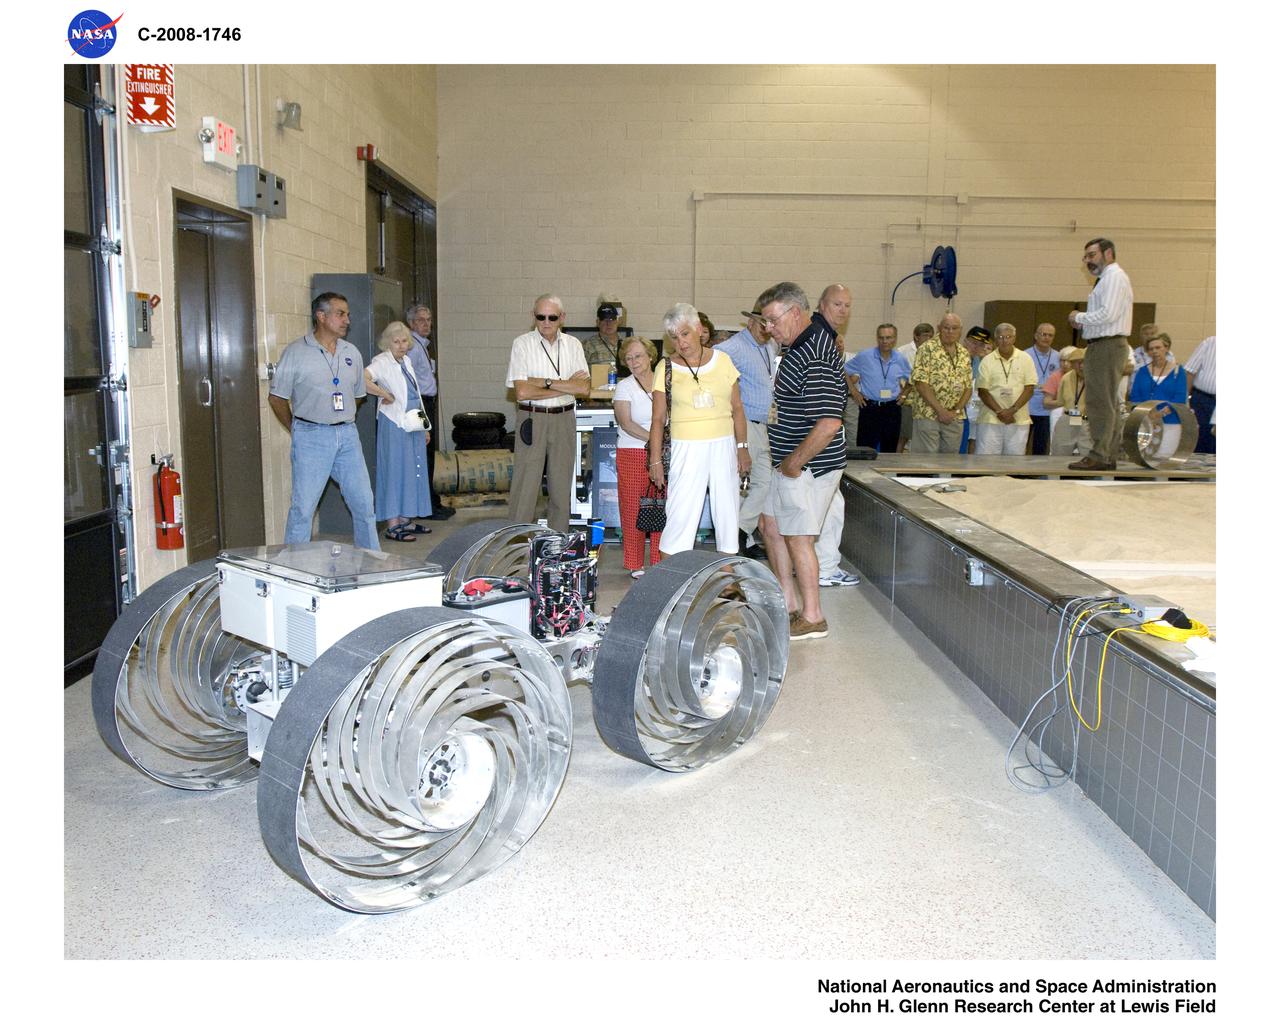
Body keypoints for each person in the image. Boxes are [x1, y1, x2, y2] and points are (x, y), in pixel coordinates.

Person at [756, 282, 847, 639]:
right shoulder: (795, 346)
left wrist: (794, 464)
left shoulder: (816, 353)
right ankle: (788, 604)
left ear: (796, 313)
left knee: (798, 538)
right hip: (787, 463)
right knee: (771, 526)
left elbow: (828, 423)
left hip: (808, 467)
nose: (768, 328)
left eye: (773, 320)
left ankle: (813, 616)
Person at [268, 292, 379, 551]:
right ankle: (293, 570)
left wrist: (339, 418)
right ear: (321, 316)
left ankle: (373, 564)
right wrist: (297, 429)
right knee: (303, 509)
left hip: (348, 437)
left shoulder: (351, 352)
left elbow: (358, 395)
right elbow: (276, 398)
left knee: (364, 505)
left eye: (348, 314)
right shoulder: (296, 352)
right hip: (311, 436)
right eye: (340, 314)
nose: (347, 320)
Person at [648, 303, 749, 556]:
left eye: (684, 334)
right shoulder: (665, 367)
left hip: (724, 444)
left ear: (698, 329)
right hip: (686, 447)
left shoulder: (723, 361)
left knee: (727, 513)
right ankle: (671, 580)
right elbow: (658, 418)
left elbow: (737, 408)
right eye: (673, 337)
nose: (680, 342)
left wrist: (742, 447)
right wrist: (655, 460)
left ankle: (728, 580)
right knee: (680, 514)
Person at [506, 294, 590, 532]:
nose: (546, 322)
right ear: (533, 317)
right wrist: (564, 385)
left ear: (561, 318)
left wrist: (542, 383)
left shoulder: (573, 345)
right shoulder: (522, 343)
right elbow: (521, 391)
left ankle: (557, 545)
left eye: (552, 317)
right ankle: (516, 543)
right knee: (525, 487)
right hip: (532, 418)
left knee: (561, 487)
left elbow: (583, 387)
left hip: (564, 418)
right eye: (540, 317)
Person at [719, 295, 778, 559]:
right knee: (746, 482)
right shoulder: (732, 348)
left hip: (763, 424)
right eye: (763, 323)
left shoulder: (768, 347)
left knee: (761, 482)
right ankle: (738, 536)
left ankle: (740, 533)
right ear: (752, 322)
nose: (768, 329)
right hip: (743, 425)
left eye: (771, 324)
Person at [1067, 237, 1133, 470]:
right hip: (1102, 344)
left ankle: (1100, 453)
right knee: (1107, 401)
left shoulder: (1114, 278)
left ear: (1108, 254)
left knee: (1100, 402)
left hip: (1107, 345)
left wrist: (1079, 317)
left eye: (1092, 255)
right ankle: (1107, 453)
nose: (1087, 261)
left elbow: (1108, 314)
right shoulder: (1106, 279)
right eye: (1085, 257)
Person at [364, 321, 433, 542]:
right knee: (394, 472)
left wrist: (425, 427)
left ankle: (405, 519)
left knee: (413, 472)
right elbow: (362, 378)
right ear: (388, 343)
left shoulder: (407, 361)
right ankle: (392, 524)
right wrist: (383, 393)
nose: (401, 345)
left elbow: (415, 395)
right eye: (396, 341)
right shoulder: (381, 361)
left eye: (404, 341)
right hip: (393, 424)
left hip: (413, 422)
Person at [814, 284, 859, 588]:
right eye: (836, 304)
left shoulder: (828, 339)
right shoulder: (820, 340)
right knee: (825, 509)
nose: (842, 310)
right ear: (821, 305)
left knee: (831, 506)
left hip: (823, 439)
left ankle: (822, 565)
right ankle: (823, 569)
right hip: (820, 440)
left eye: (846, 305)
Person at [612, 337, 662, 577]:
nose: (634, 361)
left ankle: (659, 560)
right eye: (629, 358)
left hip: (663, 453)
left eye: (638, 356)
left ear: (650, 356)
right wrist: (654, 442)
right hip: (633, 452)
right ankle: (634, 563)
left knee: (661, 506)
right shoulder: (624, 386)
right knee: (633, 509)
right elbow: (626, 423)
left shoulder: (664, 383)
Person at [405, 302, 453, 519]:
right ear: (411, 323)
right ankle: (425, 507)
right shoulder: (412, 347)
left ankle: (431, 502)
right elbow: (409, 381)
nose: (426, 324)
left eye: (429, 320)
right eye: (421, 321)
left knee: (429, 456)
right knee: (423, 456)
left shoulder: (422, 345)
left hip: (428, 402)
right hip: (420, 403)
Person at [909, 312, 972, 456]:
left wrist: (955, 411)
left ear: (960, 330)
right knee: (926, 463)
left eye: (954, 328)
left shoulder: (964, 353)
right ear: (939, 328)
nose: (950, 332)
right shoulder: (926, 349)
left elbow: (968, 387)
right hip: (928, 415)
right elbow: (920, 383)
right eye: (946, 328)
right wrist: (941, 411)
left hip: (954, 417)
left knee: (949, 462)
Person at [845, 323, 912, 453]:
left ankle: (886, 474)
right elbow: (844, 371)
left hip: (892, 409)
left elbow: (913, 379)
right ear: (877, 338)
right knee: (864, 449)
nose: (885, 341)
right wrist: (854, 392)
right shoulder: (865, 356)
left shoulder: (900, 359)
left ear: (895, 338)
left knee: (890, 450)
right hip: (870, 408)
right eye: (881, 337)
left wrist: (904, 394)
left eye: (888, 337)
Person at [974, 323, 1037, 455]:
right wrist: (1000, 412)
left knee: (1015, 462)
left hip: (1018, 419)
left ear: (1014, 338)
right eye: (1001, 337)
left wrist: (1012, 410)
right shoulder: (987, 360)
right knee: (986, 461)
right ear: (996, 340)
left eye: (1008, 337)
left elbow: (1029, 388)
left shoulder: (1026, 359)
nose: (1005, 340)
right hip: (991, 419)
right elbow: (983, 391)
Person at [1043, 346, 1088, 455]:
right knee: (1058, 453)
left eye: (1084, 362)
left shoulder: (1097, 379)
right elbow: (1060, 401)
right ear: (1072, 364)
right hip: (1068, 418)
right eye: (1078, 363)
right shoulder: (1066, 378)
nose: (1081, 366)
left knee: (1090, 456)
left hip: (1089, 421)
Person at [896, 322, 932, 452]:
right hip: (907, 400)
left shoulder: (932, 352)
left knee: (920, 436)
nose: (928, 339)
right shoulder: (902, 351)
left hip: (924, 401)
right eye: (925, 336)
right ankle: (896, 463)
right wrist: (902, 393)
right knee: (903, 435)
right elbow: (898, 375)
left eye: (930, 336)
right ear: (916, 337)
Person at [1026, 323, 1060, 455]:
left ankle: (1036, 473)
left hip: (1047, 409)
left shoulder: (1058, 357)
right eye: (1043, 334)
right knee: (1021, 444)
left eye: (1050, 335)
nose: (1046, 338)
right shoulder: (1025, 355)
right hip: (1028, 406)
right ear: (1036, 336)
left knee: (1041, 446)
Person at [958, 326, 992, 454]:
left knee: (966, 446)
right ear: (965, 341)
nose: (976, 347)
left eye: (980, 345)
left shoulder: (978, 362)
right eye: (973, 343)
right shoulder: (957, 357)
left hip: (968, 410)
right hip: (954, 408)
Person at [1129, 332, 1188, 405]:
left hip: (1170, 414)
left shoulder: (1178, 371)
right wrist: (1147, 413)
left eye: (1158, 348)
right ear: (1148, 352)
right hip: (1144, 413)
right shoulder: (1142, 371)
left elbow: (1180, 398)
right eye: (1151, 349)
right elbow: (1135, 397)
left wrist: (1161, 413)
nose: (1154, 351)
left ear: (1167, 348)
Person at [1183, 334, 1217, 454]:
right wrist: (1186, 402)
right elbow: (1190, 371)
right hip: (1202, 399)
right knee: (1198, 439)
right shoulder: (1210, 342)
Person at [582, 300, 628, 379]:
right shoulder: (586, 345)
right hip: (598, 389)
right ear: (598, 322)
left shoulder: (627, 344)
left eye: (611, 320)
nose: (608, 323)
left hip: (624, 388)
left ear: (618, 322)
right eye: (604, 320)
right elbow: (581, 374)